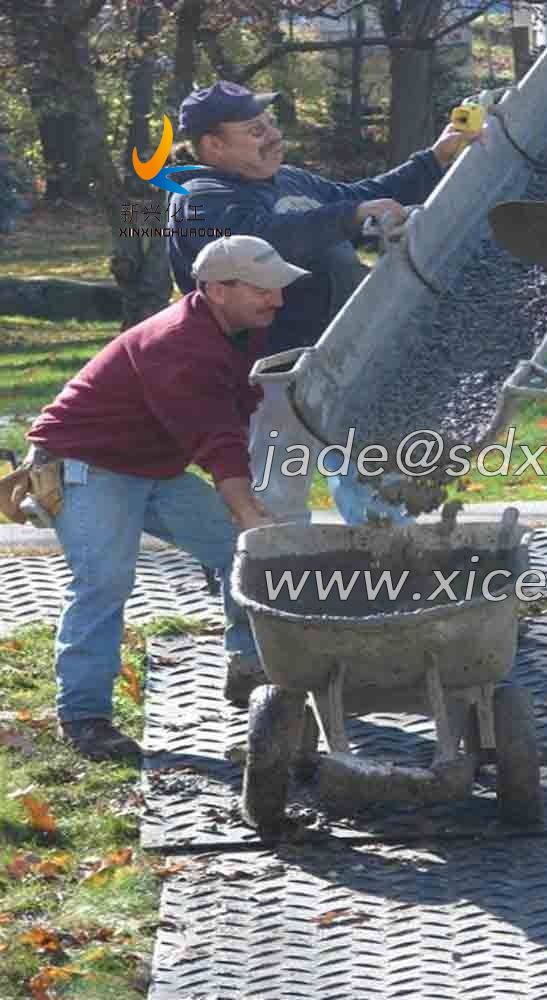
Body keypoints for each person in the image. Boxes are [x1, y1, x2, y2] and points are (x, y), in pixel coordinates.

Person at [26, 236, 308, 760]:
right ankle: (84, 717)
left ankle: (248, 667)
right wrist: (248, 510)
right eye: (265, 290)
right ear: (218, 290)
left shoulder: (235, 328)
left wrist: (246, 519)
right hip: (87, 463)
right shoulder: (177, 343)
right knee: (105, 582)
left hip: (152, 466)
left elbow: (230, 407)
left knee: (237, 553)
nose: (278, 301)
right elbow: (214, 437)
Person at [167, 81, 478, 526]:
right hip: (271, 377)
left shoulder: (289, 179)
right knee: (273, 498)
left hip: (341, 357)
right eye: (255, 130)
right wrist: (347, 217)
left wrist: (434, 159)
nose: (273, 135)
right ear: (214, 146)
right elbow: (266, 241)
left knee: (372, 482)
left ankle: (389, 568)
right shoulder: (199, 199)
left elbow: (360, 196)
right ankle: (272, 580)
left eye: (271, 123)